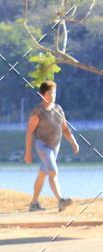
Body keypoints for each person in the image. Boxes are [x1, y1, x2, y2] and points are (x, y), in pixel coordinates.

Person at [24, 80, 79, 212]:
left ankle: (34, 204)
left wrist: (73, 142)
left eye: (54, 92)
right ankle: (61, 200)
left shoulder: (58, 109)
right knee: (53, 171)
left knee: (43, 174)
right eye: (49, 93)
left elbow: (64, 128)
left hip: (55, 146)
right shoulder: (38, 112)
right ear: (42, 95)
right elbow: (29, 132)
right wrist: (28, 152)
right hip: (42, 145)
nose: (52, 95)